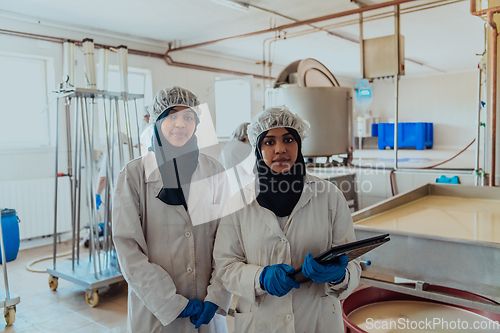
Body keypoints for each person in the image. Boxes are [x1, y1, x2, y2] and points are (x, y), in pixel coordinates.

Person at [213, 106, 361, 333]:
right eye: (269, 142)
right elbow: (225, 266)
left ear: (299, 145)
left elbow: (351, 261)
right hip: (261, 322)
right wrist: (259, 278)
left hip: (317, 320)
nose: (280, 149)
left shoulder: (330, 196)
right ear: (257, 148)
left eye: (288, 139)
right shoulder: (238, 203)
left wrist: (340, 275)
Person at [113, 86, 232, 333]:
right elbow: (129, 250)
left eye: (188, 117)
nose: (180, 124)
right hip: (157, 312)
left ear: (197, 123)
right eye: (171, 116)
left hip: (206, 307)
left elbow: (227, 241)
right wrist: (169, 302)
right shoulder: (134, 175)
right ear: (157, 120)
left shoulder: (214, 171)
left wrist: (217, 295)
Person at [219, 122, 254, 197]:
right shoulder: (245, 148)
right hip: (244, 190)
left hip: (230, 190)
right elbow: (253, 171)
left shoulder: (227, 147)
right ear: (247, 135)